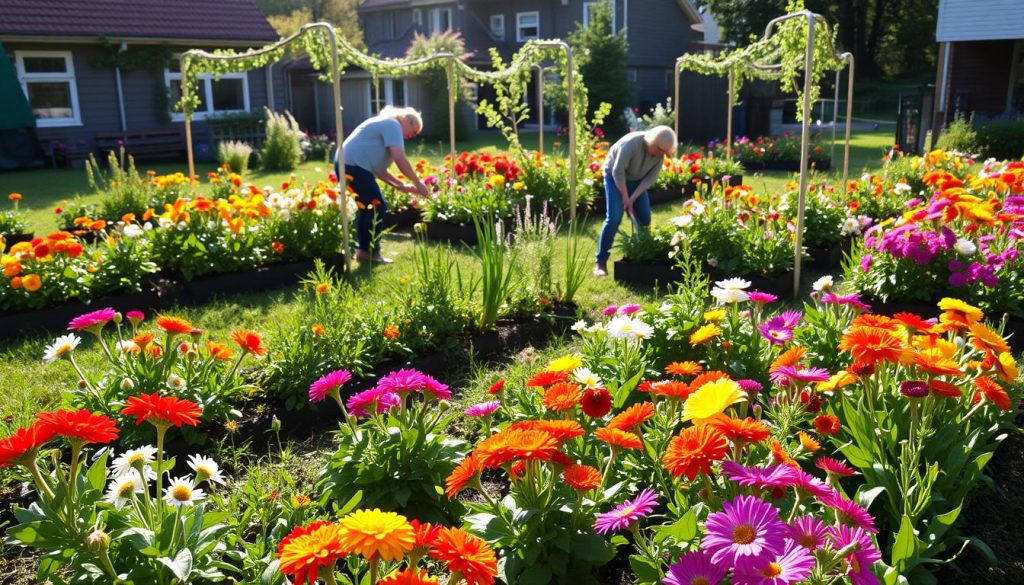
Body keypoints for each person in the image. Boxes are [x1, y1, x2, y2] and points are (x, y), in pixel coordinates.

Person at [336, 106, 430, 264]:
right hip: (353, 166)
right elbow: (400, 159)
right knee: (377, 206)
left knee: (367, 208)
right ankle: (370, 252)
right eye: (413, 132)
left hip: (347, 164)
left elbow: (380, 171)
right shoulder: (393, 125)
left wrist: (402, 186)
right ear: (407, 121)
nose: (411, 137)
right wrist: (418, 182)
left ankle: (364, 251)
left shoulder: (386, 125)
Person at [593, 125, 677, 276]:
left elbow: (650, 178)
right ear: (652, 142)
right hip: (614, 177)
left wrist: (633, 197)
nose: (661, 155)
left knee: (645, 218)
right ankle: (601, 262)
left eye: (665, 152)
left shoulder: (659, 153)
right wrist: (625, 197)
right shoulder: (631, 144)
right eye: (660, 150)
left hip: (636, 181)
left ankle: (641, 256)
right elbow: (617, 171)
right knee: (614, 218)